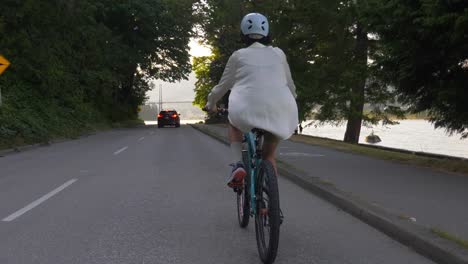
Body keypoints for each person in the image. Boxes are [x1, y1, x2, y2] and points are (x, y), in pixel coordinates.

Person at [204, 13, 298, 188]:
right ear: (267, 33)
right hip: (280, 108)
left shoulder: (238, 56)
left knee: (233, 122)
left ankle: (238, 164)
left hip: (245, 109)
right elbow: (290, 85)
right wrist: (292, 100)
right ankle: (271, 206)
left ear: (243, 34)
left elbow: (222, 86)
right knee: (269, 157)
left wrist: (211, 104)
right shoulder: (279, 54)